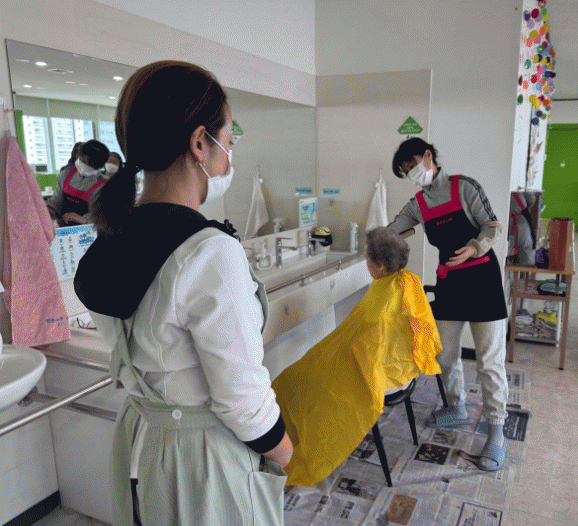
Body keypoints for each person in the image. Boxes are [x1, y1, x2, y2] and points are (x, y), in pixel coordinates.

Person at [73, 60, 292, 526]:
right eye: (229, 141)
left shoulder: (112, 237)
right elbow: (242, 398)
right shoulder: (209, 252)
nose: (229, 156)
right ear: (199, 143)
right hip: (201, 460)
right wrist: (285, 452)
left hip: (141, 441)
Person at [272, 228, 442, 487]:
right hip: (399, 362)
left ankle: (292, 447)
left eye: (367, 257)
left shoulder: (382, 308)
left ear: (380, 267)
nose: (365, 261)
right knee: (300, 372)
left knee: (297, 380)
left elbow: (370, 355)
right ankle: (287, 437)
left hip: (379, 370)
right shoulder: (406, 280)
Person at [387, 137, 509, 472]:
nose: (411, 173)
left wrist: (474, 247)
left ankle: (497, 431)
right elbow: (394, 228)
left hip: (483, 280)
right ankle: (457, 408)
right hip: (450, 283)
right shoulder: (418, 203)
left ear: (428, 156)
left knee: (489, 360)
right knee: (445, 354)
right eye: (405, 171)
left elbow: (492, 225)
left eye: (412, 165)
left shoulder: (464, 187)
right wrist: (373, 242)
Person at [46, 139, 109, 226]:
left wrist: (84, 219)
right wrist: (46, 211)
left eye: (87, 163)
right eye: (82, 160)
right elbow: (55, 202)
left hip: (87, 229)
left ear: (98, 166)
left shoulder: (102, 185)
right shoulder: (65, 174)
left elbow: (102, 214)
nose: (83, 164)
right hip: (63, 226)